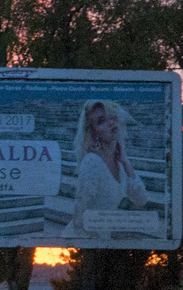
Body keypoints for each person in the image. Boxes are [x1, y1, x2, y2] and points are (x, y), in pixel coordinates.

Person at [63, 100, 147, 238]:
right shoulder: (92, 162)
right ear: (94, 132)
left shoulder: (121, 164)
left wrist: (126, 161)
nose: (111, 123)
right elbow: (79, 216)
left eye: (112, 117)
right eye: (101, 121)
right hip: (82, 242)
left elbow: (141, 199)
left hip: (103, 241)